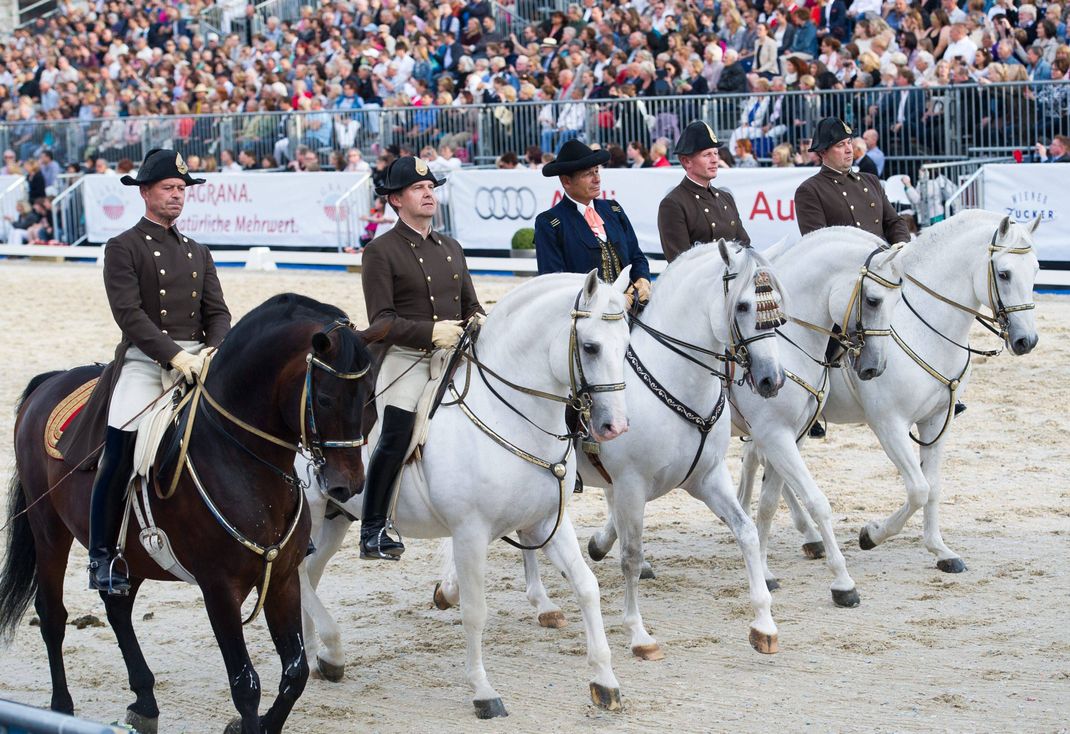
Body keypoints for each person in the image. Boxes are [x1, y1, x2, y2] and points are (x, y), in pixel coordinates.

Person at [79, 149, 231, 593]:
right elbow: (128, 314)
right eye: (168, 188)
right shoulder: (123, 247)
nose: (176, 196)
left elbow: (218, 312)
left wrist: (214, 349)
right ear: (145, 192)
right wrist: (174, 356)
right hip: (146, 361)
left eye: (182, 189)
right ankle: (102, 555)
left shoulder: (197, 251)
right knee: (120, 447)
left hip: (200, 359)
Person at [359, 156, 484, 560]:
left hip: (455, 354)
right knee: (396, 432)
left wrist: (478, 321)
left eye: (431, 187)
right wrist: (430, 332)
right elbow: (380, 323)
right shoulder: (381, 251)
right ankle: (374, 527)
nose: (429, 193)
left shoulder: (451, 247)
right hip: (407, 357)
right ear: (396, 199)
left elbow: (471, 305)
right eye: (418, 188)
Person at [533, 140, 651, 306]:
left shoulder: (613, 209)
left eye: (597, 171)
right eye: (588, 174)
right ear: (566, 181)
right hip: (590, 319)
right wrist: (610, 302)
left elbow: (636, 255)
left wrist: (642, 279)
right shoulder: (550, 223)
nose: (596, 179)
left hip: (633, 306)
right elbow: (555, 285)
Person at [794, 117, 910, 243]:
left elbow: (894, 222)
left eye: (849, 142)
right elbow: (818, 244)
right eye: (840, 145)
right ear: (823, 152)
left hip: (885, 258)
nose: (849, 150)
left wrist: (901, 246)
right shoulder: (810, 190)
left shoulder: (871, 181)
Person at [658, 121, 751, 262]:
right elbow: (680, 263)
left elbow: (745, 246)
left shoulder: (726, 198)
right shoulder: (673, 203)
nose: (715, 160)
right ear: (686, 161)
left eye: (716, 153)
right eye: (707, 155)